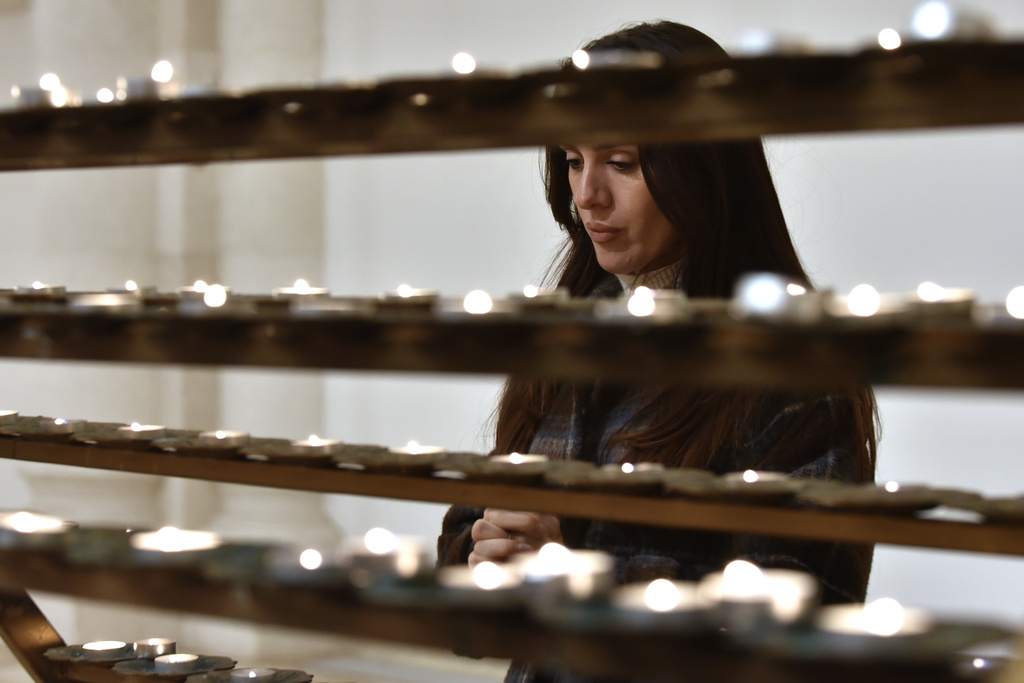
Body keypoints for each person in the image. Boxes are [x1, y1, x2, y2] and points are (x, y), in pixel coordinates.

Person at [437, 20, 879, 682]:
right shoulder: (560, 337)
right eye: (573, 160)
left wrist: (580, 581)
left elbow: (796, 628)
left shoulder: (796, 370)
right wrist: (483, 558)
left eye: (622, 163)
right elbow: (467, 540)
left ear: (703, 169)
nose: (589, 195)